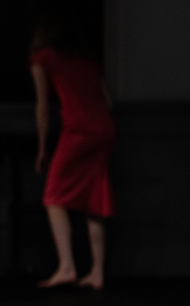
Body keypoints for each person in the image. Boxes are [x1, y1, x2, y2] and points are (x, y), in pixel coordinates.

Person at [30, 14, 115, 290]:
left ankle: (67, 266)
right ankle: (97, 272)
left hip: (79, 130)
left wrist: (42, 148)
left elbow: (43, 107)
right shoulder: (88, 60)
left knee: (54, 195)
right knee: (95, 197)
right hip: (104, 127)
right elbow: (107, 100)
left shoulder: (44, 58)